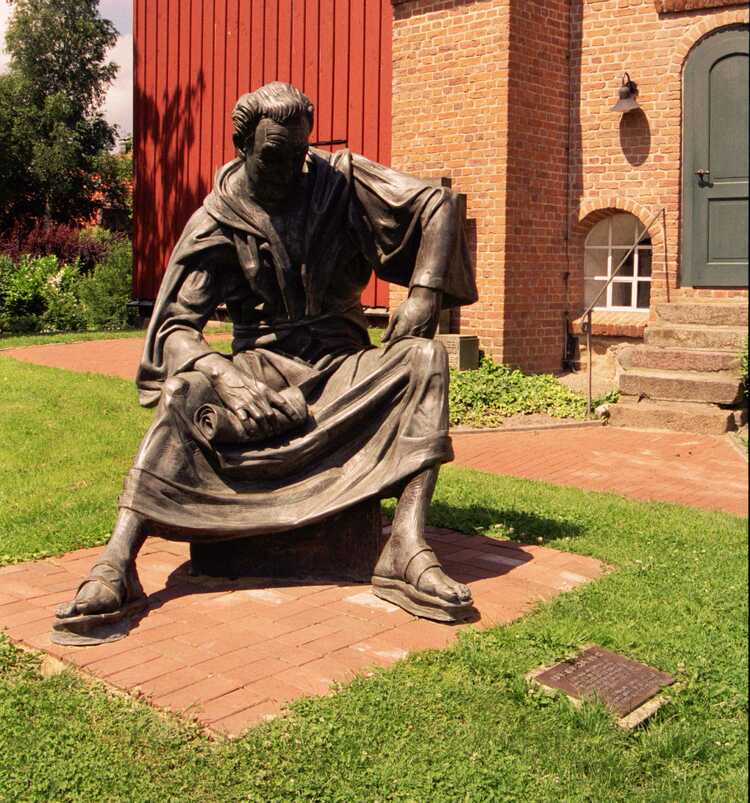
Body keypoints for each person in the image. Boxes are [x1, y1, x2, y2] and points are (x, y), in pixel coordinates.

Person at [55, 82, 478, 638]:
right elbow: (177, 329)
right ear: (243, 149)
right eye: (272, 156)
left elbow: (436, 206)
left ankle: (405, 545)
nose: (286, 170)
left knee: (425, 360)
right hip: (260, 372)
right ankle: (117, 560)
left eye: (298, 155)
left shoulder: (340, 183)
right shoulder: (219, 220)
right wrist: (223, 375)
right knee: (186, 395)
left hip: (341, 365)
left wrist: (424, 292)